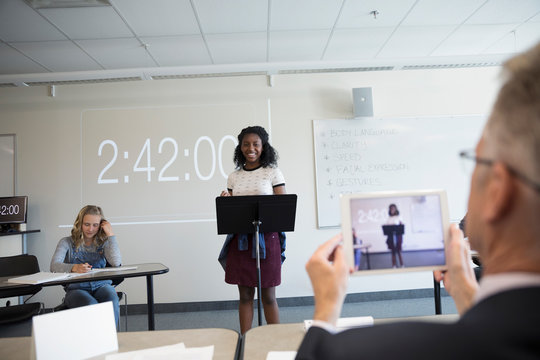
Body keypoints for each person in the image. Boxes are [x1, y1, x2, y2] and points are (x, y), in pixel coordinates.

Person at [296, 41, 540, 359]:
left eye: (476, 161)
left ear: (498, 189)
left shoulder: (363, 351)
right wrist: (470, 300)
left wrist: (325, 313)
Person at [217, 125, 286, 334]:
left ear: (264, 147)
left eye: (256, 144)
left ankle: (275, 341)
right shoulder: (233, 177)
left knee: (268, 296)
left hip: (267, 239)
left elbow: (282, 207)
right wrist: (226, 202)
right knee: (245, 295)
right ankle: (246, 341)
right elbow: (230, 213)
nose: (251, 148)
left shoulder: (273, 172)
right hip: (241, 241)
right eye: (246, 144)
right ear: (240, 147)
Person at [50, 205, 122, 327]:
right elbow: (54, 266)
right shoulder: (66, 242)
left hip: (102, 285)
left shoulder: (104, 243)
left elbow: (116, 262)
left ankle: (111, 341)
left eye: (95, 225)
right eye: (87, 224)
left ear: (101, 226)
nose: (91, 229)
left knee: (112, 300)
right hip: (76, 289)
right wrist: (73, 268)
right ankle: (95, 342)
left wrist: (110, 234)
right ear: (79, 224)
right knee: (90, 304)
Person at [385, 204, 404, 268]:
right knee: (393, 252)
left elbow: (401, 226)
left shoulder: (399, 217)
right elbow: (387, 227)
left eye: (393, 208)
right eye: (391, 209)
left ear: (395, 209)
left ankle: (402, 265)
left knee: (399, 251)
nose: (392, 210)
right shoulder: (389, 218)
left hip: (398, 236)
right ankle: (394, 265)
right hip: (391, 237)